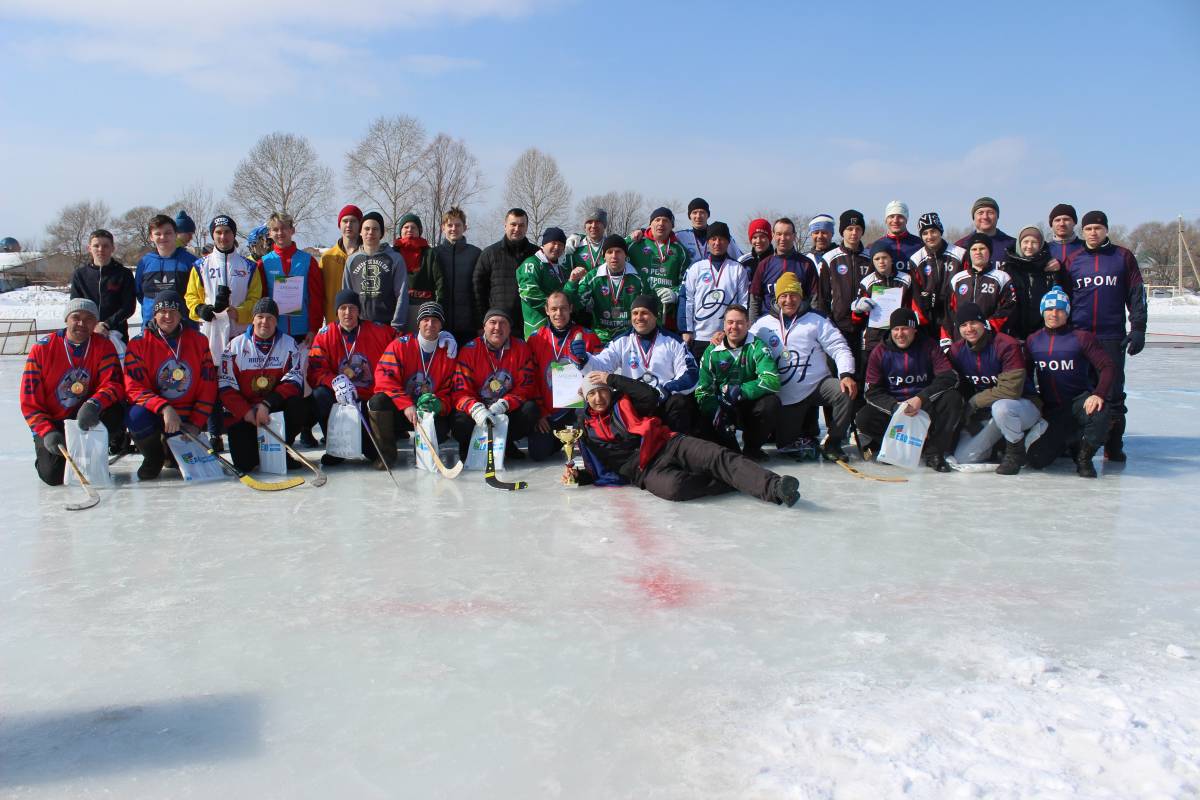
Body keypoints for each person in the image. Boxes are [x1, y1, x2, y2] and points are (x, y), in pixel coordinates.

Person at [566, 371, 800, 506]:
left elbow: (650, 395)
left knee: (716, 456)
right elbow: (599, 467)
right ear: (586, 399)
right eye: (592, 393)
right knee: (675, 489)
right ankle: (736, 479)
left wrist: (612, 378)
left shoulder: (625, 402)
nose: (598, 398)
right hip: (645, 471)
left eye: (602, 391)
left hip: (668, 443)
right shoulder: (587, 430)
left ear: (609, 391)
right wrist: (579, 476)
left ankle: (775, 487)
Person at [1063, 210, 1146, 461]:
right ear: (1082, 231)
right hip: (1079, 335)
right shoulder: (1073, 260)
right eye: (1088, 229)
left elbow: (1136, 294)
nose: (1093, 233)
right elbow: (1063, 299)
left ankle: (1113, 445)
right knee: (1079, 391)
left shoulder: (1123, 257)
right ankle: (1077, 444)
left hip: (1111, 336)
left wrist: (1138, 327)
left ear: (1106, 230)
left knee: (1112, 392)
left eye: (1097, 228)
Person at [750, 273, 856, 461]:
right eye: (784, 295)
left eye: (793, 295)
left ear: (801, 296)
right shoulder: (763, 324)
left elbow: (838, 346)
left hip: (817, 385)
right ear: (777, 298)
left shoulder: (817, 319)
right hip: (787, 394)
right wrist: (723, 337)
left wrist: (846, 374)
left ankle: (833, 443)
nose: (789, 300)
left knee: (844, 392)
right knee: (785, 446)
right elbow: (744, 344)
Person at [20, 299, 125, 484]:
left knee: (116, 411)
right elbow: (29, 402)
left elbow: (114, 384)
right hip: (53, 421)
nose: (82, 323)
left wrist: (94, 403)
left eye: (89, 319)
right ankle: (50, 454)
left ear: (96, 323)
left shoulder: (103, 346)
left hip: (84, 416)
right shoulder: (42, 349)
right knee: (53, 476)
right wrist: (46, 431)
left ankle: (96, 452)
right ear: (66, 319)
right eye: (76, 317)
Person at [185, 214, 263, 450]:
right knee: (213, 383)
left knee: (241, 381)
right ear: (213, 235)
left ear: (233, 234)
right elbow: (191, 297)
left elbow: (256, 299)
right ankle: (215, 432)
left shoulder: (248, 266)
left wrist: (239, 312)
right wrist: (201, 310)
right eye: (218, 233)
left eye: (227, 232)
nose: (223, 236)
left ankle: (245, 427)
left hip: (240, 332)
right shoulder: (200, 265)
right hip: (212, 332)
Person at [122, 291, 218, 480]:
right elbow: (134, 388)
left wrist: (196, 422)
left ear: (181, 314)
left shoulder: (199, 341)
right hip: (158, 414)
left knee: (178, 461)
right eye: (163, 311)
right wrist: (164, 408)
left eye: (173, 311)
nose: (168, 316)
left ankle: (171, 453)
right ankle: (154, 457)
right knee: (135, 416)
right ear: (154, 315)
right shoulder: (138, 344)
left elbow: (208, 385)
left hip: (187, 414)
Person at [856, 308, 962, 472]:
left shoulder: (929, 346)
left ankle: (933, 452)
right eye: (896, 329)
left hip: (924, 405)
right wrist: (895, 407)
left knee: (952, 399)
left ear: (914, 329)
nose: (900, 334)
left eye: (905, 328)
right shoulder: (879, 352)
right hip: (895, 409)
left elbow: (948, 377)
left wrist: (921, 398)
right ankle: (895, 447)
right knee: (864, 418)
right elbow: (872, 392)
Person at [1024, 289, 1115, 478]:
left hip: (1078, 402)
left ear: (1067, 313)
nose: (1054, 314)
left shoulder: (1081, 337)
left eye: (1059, 309)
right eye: (1049, 309)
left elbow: (1107, 366)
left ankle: (1084, 458)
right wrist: (1033, 399)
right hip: (1051, 409)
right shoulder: (1033, 341)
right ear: (1042, 311)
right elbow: (1025, 374)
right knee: (1036, 460)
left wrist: (1098, 394)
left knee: (1100, 412)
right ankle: (1070, 440)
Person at [948, 302, 1043, 475]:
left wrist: (975, 401)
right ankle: (998, 445)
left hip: (1021, 406)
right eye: (963, 325)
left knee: (1002, 408)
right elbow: (957, 386)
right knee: (964, 457)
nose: (969, 329)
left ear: (983, 323)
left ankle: (1015, 452)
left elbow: (1011, 390)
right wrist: (967, 418)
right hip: (986, 413)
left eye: (973, 323)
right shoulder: (956, 351)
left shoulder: (1006, 345)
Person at [581, 294, 698, 433]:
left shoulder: (673, 341)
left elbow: (691, 374)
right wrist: (584, 359)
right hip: (634, 402)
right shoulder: (621, 341)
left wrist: (667, 389)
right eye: (635, 313)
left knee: (679, 402)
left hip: (663, 401)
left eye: (644, 313)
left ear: (655, 315)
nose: (639, 317)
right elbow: (600, 367)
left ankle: (675, 442)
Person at [308, 290, 398, 466]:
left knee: (372, 453)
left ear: (359, 311)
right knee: (320, 395)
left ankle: (370, 444)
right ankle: (335, 448)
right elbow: (315, 369)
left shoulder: (378, 331)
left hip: (367, 400)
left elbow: (403, 344)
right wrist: (333, 381)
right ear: (337, 312)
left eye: (352, 308)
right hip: (340, 400)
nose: (347, 312)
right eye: (343, 308)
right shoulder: (325, 335)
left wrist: (435, 339)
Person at [217, 298, 307, 472]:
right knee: (245, 464)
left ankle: (280, 451)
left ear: (276, 321)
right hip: (245, 413)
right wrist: (246, 412)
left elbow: (294, 381)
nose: (265, 321)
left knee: (298, 405)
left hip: (272, 411)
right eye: (260, 316)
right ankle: (257, 450)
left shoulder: (289, 344)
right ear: (253, 319)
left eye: (270, 318)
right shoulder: (235, 346)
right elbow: (226, 387)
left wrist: (267, 404)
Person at [370, 302, 460, 469]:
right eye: (425, 319)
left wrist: (439, 404)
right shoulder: (400, 345)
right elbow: (384, 378)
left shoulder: (449, 352)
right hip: (403, 412)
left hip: (429, 415)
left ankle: (422, 453)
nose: (430, 324)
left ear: (441, 325)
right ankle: (386, 455)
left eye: (435, 320)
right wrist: (405, 404)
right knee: (378, 401)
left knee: (445, 422)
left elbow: (451, 390)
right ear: (418, 323)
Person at [694, 304, 781, 460]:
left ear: (748, 324)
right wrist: (715, 411)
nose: (734, 327)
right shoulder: (712, 351)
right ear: (724, 325)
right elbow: (702, 390)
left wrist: (742, 391)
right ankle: (728, 448)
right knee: (701, 414)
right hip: (724, 408)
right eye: (730, 322)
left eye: (740, 322)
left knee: (770, 403)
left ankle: (752, 448)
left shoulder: (757, 346)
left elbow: (772, 380)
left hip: (749, 406)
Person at [450, 308, 538, 460]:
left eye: (503, 323)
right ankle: (468, 444)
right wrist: (476, 409)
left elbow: (526, 386)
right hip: (477, 411)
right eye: (492, 322)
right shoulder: (469, 350)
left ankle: (506, 443)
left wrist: (505, 404)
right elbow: (460, 391)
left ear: (509, 328)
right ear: (484, 326)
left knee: (530, 410)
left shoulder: (521, 348)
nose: (497, 327)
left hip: (505, 410)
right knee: (460, 421)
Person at [527, 291, 603, 460]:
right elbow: (530, 380)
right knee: (538, 453)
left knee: (592, 452)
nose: (558, 313)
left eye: (563, 308)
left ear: (571, 309)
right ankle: (561, 440)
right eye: (554, 309)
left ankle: (582, 435)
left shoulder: (588, 336)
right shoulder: (536, 339)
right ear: (547, 310)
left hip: (579, 408)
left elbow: (601, 374)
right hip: (549, 411)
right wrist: (540, 412)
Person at [679, 222, 749, 361]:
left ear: (728, 242)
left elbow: (743, 303)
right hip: (699, 336)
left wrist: (728, 331)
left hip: (729, 336)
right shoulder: (696, 267)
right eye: (713, 239)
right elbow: (687, 299)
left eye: (721, 239)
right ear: (708, 241)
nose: (717, 243)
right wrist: (686, 330)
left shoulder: (737, 269)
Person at [564, 234, 647, 344]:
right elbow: (573, 304)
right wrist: (572, 282)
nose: (614, 256)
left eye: (618, 251)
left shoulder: (639, 278)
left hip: (630, 336)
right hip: (601, 337)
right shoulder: (592, 277)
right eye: (610, 252)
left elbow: (650, 310)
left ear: (625, 255)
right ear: (604, 256)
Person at [816, 210, 872, 374]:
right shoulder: (830, 258)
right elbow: (823, 297)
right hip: (838, 326)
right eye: (849, 229)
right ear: (842, 231)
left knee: (861, 372)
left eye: (858, 229)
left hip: (864, 327)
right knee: (838, 371)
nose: (854, 233)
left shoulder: (870, 258)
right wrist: (828, 325)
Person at [258, 212, 324, 346]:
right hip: (274, 331)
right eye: (275, 229)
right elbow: (261, 299)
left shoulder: (308, 261)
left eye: (284, 228)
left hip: (303, 332)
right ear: (270, 233)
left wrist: (313, 328)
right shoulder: (264, 263)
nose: (280, 233)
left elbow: (316, 298)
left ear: (292, 230)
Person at [943, 233, 1017, 345]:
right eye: (974, 249)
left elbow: (1009, 308)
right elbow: (948, 313)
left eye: (982, 248)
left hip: (991, 340)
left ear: (989, 251)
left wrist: (986, 326)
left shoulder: (1002, 277)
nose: (978, 252)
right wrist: (946, 339)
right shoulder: (957, 279)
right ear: (969, 253)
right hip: (962, 341)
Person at [342, 211, 409, 333]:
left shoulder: (395, 259)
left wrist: (397, 326)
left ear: (381, 233)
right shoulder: (351, 260)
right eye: (366, 229)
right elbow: (347, 295)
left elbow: (402, 294)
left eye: (375, 229)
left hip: (387, 326)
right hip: (358, 327)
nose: (370, 232)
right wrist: (349, 323)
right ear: (360, 232)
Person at [474, 208, 539, 336]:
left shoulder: (537, 255)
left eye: (521, 225)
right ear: (505, 226)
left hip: (530, 324)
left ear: (526, 227)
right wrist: (482, 322)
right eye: (513, 224)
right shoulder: (490, 253)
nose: (517, 229)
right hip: (499, 326)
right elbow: (478, 290)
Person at [850, 241, 914, 365]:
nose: (881, 261)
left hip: (900, 336)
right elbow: (857, 319)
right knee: (873, 373)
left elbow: (913, 307)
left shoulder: (906, 279)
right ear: (872, 261)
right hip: (873, 338)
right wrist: (858, 309)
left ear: (891, 259)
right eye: (877, 259)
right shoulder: (867, 282)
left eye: (884, 257)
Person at [626, 207, 690, 328]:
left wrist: (675, 293)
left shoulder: (681, 251)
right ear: (650, 224)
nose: (661, 223)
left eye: (666, 220)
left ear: (672, 226)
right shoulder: (635, 245)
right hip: (638, 311)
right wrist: (630, 238)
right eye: (657, 220)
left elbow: (687, 282)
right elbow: (610, 252)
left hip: (666, 314)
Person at [69, 229, 136, 343]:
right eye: (96, 246)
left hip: (116, 333)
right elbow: (76, 305)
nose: (101, 249)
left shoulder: (124, 274)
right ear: (89, 248)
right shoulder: (80, 275)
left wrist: (107, 324)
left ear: (112, 248)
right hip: (87, 332)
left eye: (105, 246)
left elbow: (128, 307)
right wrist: (93, 325)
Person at [1000, 225, 1064, 341]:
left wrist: (1060, 270)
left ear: (1040, 245)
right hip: (1013, 333)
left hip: (1043, 333)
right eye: (1025, 242)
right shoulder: (1008, 268)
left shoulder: (1050, 267)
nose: (1029, 246)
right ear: (1019, 244)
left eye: (1034, 242)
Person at [135, 214, 198, 328]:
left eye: (168, 233)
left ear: (176, 234)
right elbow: (139, 293)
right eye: (158, 234)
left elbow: (197, 294)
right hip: (151, 328)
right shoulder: (144, 262)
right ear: (151, 237)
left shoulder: (191, 262)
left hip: (185, 328)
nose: (163, 237)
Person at [908, 212, 964, 340]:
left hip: (954, 315)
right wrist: (922, 321)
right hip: (930, 318)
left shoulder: (960, 254)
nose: (929, 236)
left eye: (933, 231)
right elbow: (915, 295)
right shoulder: (916, 259)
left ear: (940, 231)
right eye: (925, 233)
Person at [748, 218, 817, 320]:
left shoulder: (806, 264)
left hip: (799, 322)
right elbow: (755, 300)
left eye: (787, 234)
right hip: (770, 323)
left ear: (794, 236)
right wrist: (754, 325)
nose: (783, 238)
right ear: (773, 235)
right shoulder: (764, 265)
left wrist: (814, 321)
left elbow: (814, 299)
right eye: (779, 234)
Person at [433, 206, 483, 346]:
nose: (453, 229)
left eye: (458, 225)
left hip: (468, 326)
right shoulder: (434, 254)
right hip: (440, 324)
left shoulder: (475, 254)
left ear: (464, 227)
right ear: (443, 227)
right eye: (450, 225)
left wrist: (480, 323)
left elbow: (480, 290)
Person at [516, 227, 572, 337]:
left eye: (561, 245)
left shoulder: (561, 267)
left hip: (558, 324)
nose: (557, 247)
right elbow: (529, 292)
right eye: (553, 243)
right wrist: (554, 307)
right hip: (537, 325)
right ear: (544, 244)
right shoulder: (532, 264)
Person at [392, 212, 442, 331]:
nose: (409, 230)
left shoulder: (429, 254)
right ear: (400, 231)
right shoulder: (393, 253)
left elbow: (440, 281)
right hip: (396, 306)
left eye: (413, 227)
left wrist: (439, 305)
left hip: (423, 307)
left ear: (419, 231)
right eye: (406, 227)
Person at [319, 205, 363, 324]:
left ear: (360, 225)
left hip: (362, 322)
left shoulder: (367, 256)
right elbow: (319, 293)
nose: (349, 225)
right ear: (339, 225)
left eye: (353, 221)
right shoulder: (327, 258)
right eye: (345, 221)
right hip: (333, 322)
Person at [673, 197, 743, 264]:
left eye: (702, 212)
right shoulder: (680, 236)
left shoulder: (722, 236)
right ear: (689, 216)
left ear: (708, 215)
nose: (698, 216)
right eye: (695, 212)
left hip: (716, 272)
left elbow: (740, 259)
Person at [955, 197, 1016, 267]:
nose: (985, 217)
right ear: (973, 217)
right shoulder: (961, 246)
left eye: (990, 213)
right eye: (980, 213)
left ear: (997, 216)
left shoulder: (1012, 244)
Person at [869, 201, 922, 269]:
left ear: (906, 219)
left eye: (900, 216)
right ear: (886, 220)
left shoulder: (920, 244)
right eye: (891, 217)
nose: (895, 220)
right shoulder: (876, 246)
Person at [565, 207, 609, 274]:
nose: (593, 226)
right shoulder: (575, 245)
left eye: (598, 222)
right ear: (585, 226)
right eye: (590, 222)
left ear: (604, 226)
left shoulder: (611, 246)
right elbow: (566, 274)